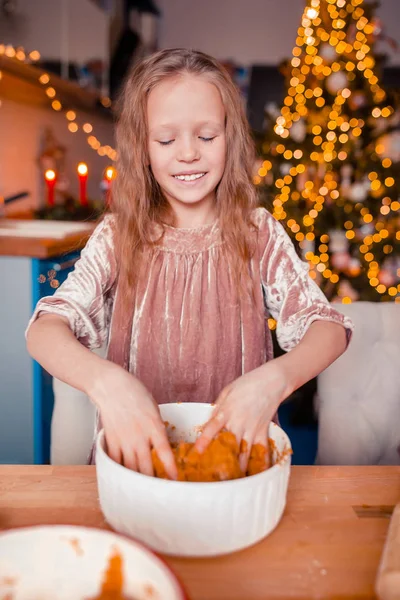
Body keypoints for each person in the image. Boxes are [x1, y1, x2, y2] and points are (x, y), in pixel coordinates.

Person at [26, 48, 353, 480]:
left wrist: (275, 380)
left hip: (238, 467)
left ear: (230, 138)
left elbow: (327, 329)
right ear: (142, 147)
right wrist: (106, 382)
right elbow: (44, 331)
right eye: (166, 140)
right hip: (135, 468)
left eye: (206, 136)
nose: (188, 154)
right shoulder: (119, 235)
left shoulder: (257, 232)